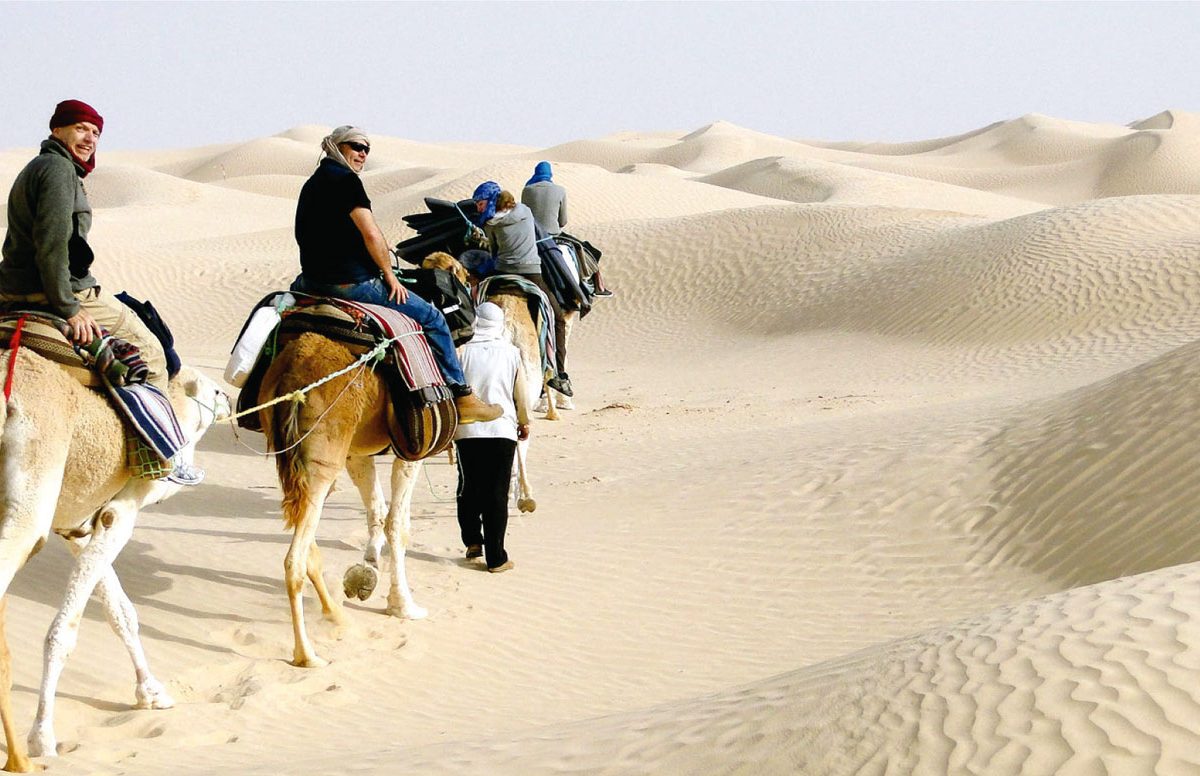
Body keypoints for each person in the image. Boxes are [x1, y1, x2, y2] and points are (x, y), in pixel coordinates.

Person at [0, 99, 203, 485]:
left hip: (15, 287)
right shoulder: (58, 171)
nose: (90, 138)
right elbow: (52, 246)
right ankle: (158, 453)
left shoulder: (42, 168)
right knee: (151, 352)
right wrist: (69, 308)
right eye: (80, 128)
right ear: (57, 130)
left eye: (95, 133)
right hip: (58, 291)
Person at [288, 126, 500, 424]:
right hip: (351, 282)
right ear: (337, 147)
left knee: (278, 308)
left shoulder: (312, 183)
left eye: (367, 149)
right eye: (356, 147)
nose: (362, 153)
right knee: (433, 318)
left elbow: (320, 232)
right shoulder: (347, 181)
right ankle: (461, 393)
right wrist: (389, 275)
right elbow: (370, 232)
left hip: (312, 280)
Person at [471, 181, 573, 397]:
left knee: (475, 299)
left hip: (502, 273)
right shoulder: (525, 211)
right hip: (531, 273)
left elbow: (494, 251)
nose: (478, 208)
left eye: (480, 204)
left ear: (490, 201)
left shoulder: (489, 223)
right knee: (558, 319)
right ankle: (560, 375)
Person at [453, 302, 530, 573]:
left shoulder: (461, 352)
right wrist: (524, 421)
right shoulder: (512, 353)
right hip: (502, 429)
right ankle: (496, 557)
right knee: (497, 493)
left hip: (467, 430)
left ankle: (473, 541)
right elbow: (520, 393)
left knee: (468, 486)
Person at [520, 161, 612, 297]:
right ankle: (598, 286)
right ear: (550, 174)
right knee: (589, 251)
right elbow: (563, 221)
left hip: (531, 236)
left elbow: (524, 216)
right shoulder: (560, 190)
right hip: (553, 235)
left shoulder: (527, 190)